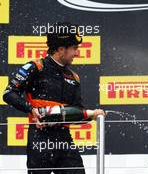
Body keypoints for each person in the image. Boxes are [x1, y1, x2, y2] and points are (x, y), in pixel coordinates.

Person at [3, 22, 105, 174]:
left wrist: (91, 114)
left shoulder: (74, 77)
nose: (77, 53)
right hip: (40, 138)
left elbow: (77, 113)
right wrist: (31, 109)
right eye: (74, 48)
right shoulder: (36, 67)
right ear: (61, 49)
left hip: (64, 139)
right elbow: (8, 93)